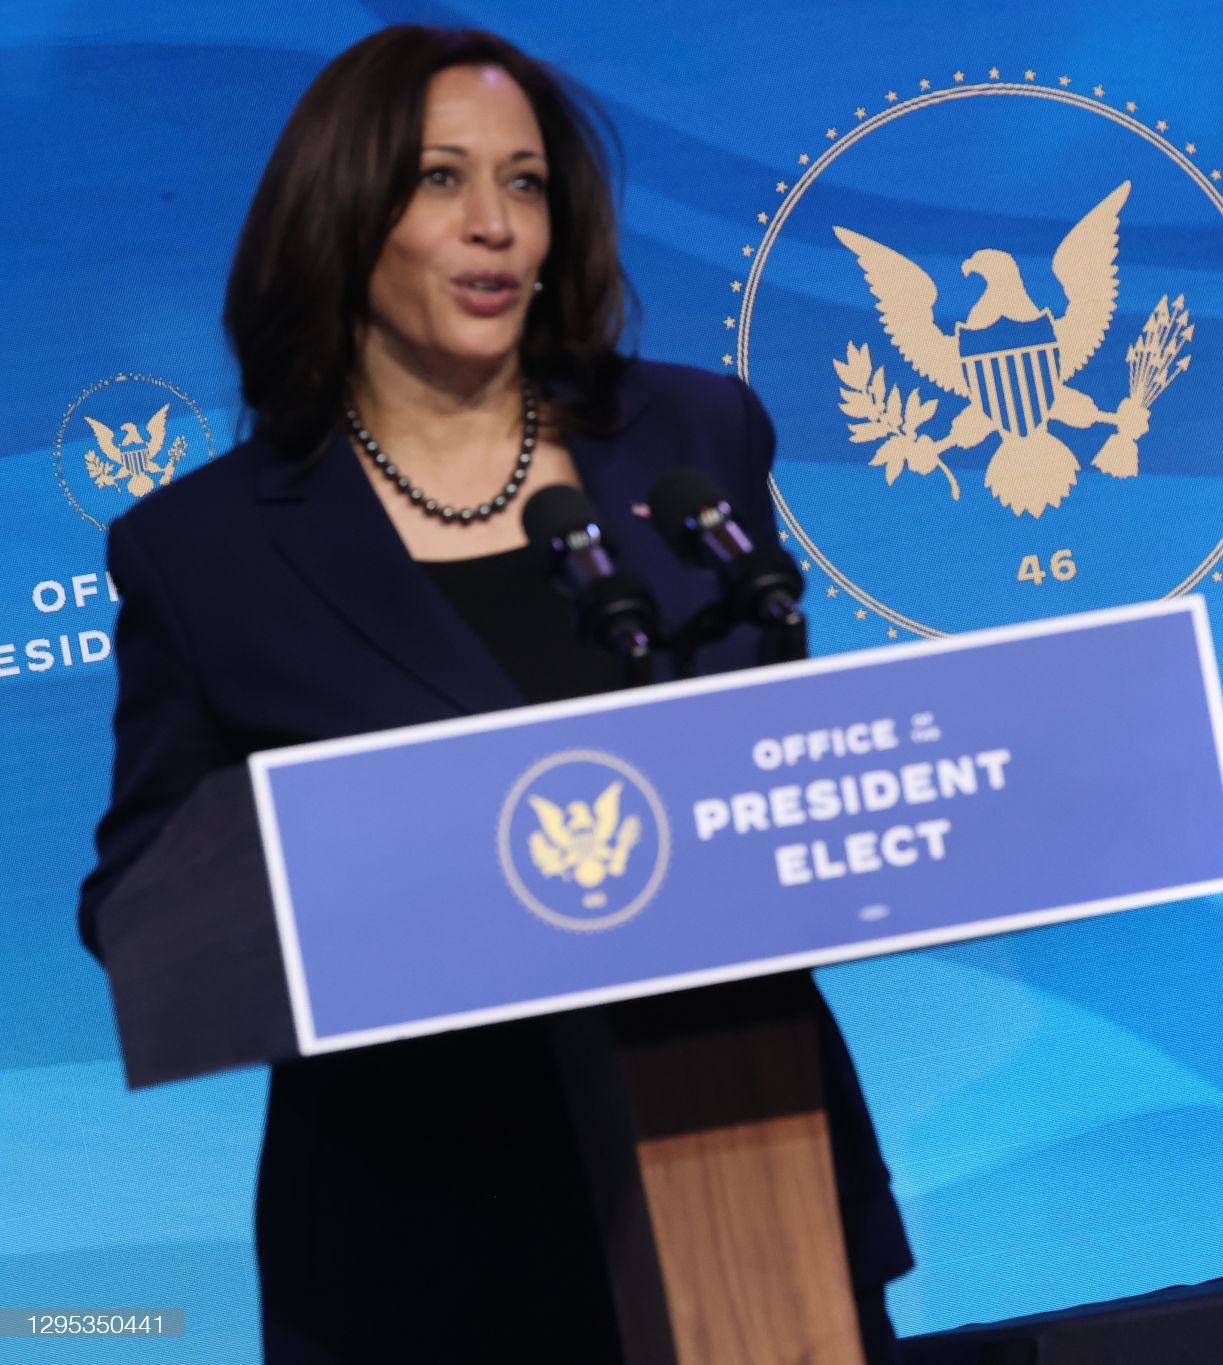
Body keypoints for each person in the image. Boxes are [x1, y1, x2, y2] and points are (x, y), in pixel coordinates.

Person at [74, 26, 911, 1362]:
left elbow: (776, 763)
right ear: (344, 215)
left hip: (746, 1172)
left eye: (525, 184)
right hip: (427, 1238)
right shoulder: (204, 555)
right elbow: (139, 909)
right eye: (441, 180)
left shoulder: (693, 441)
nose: (496, 226)